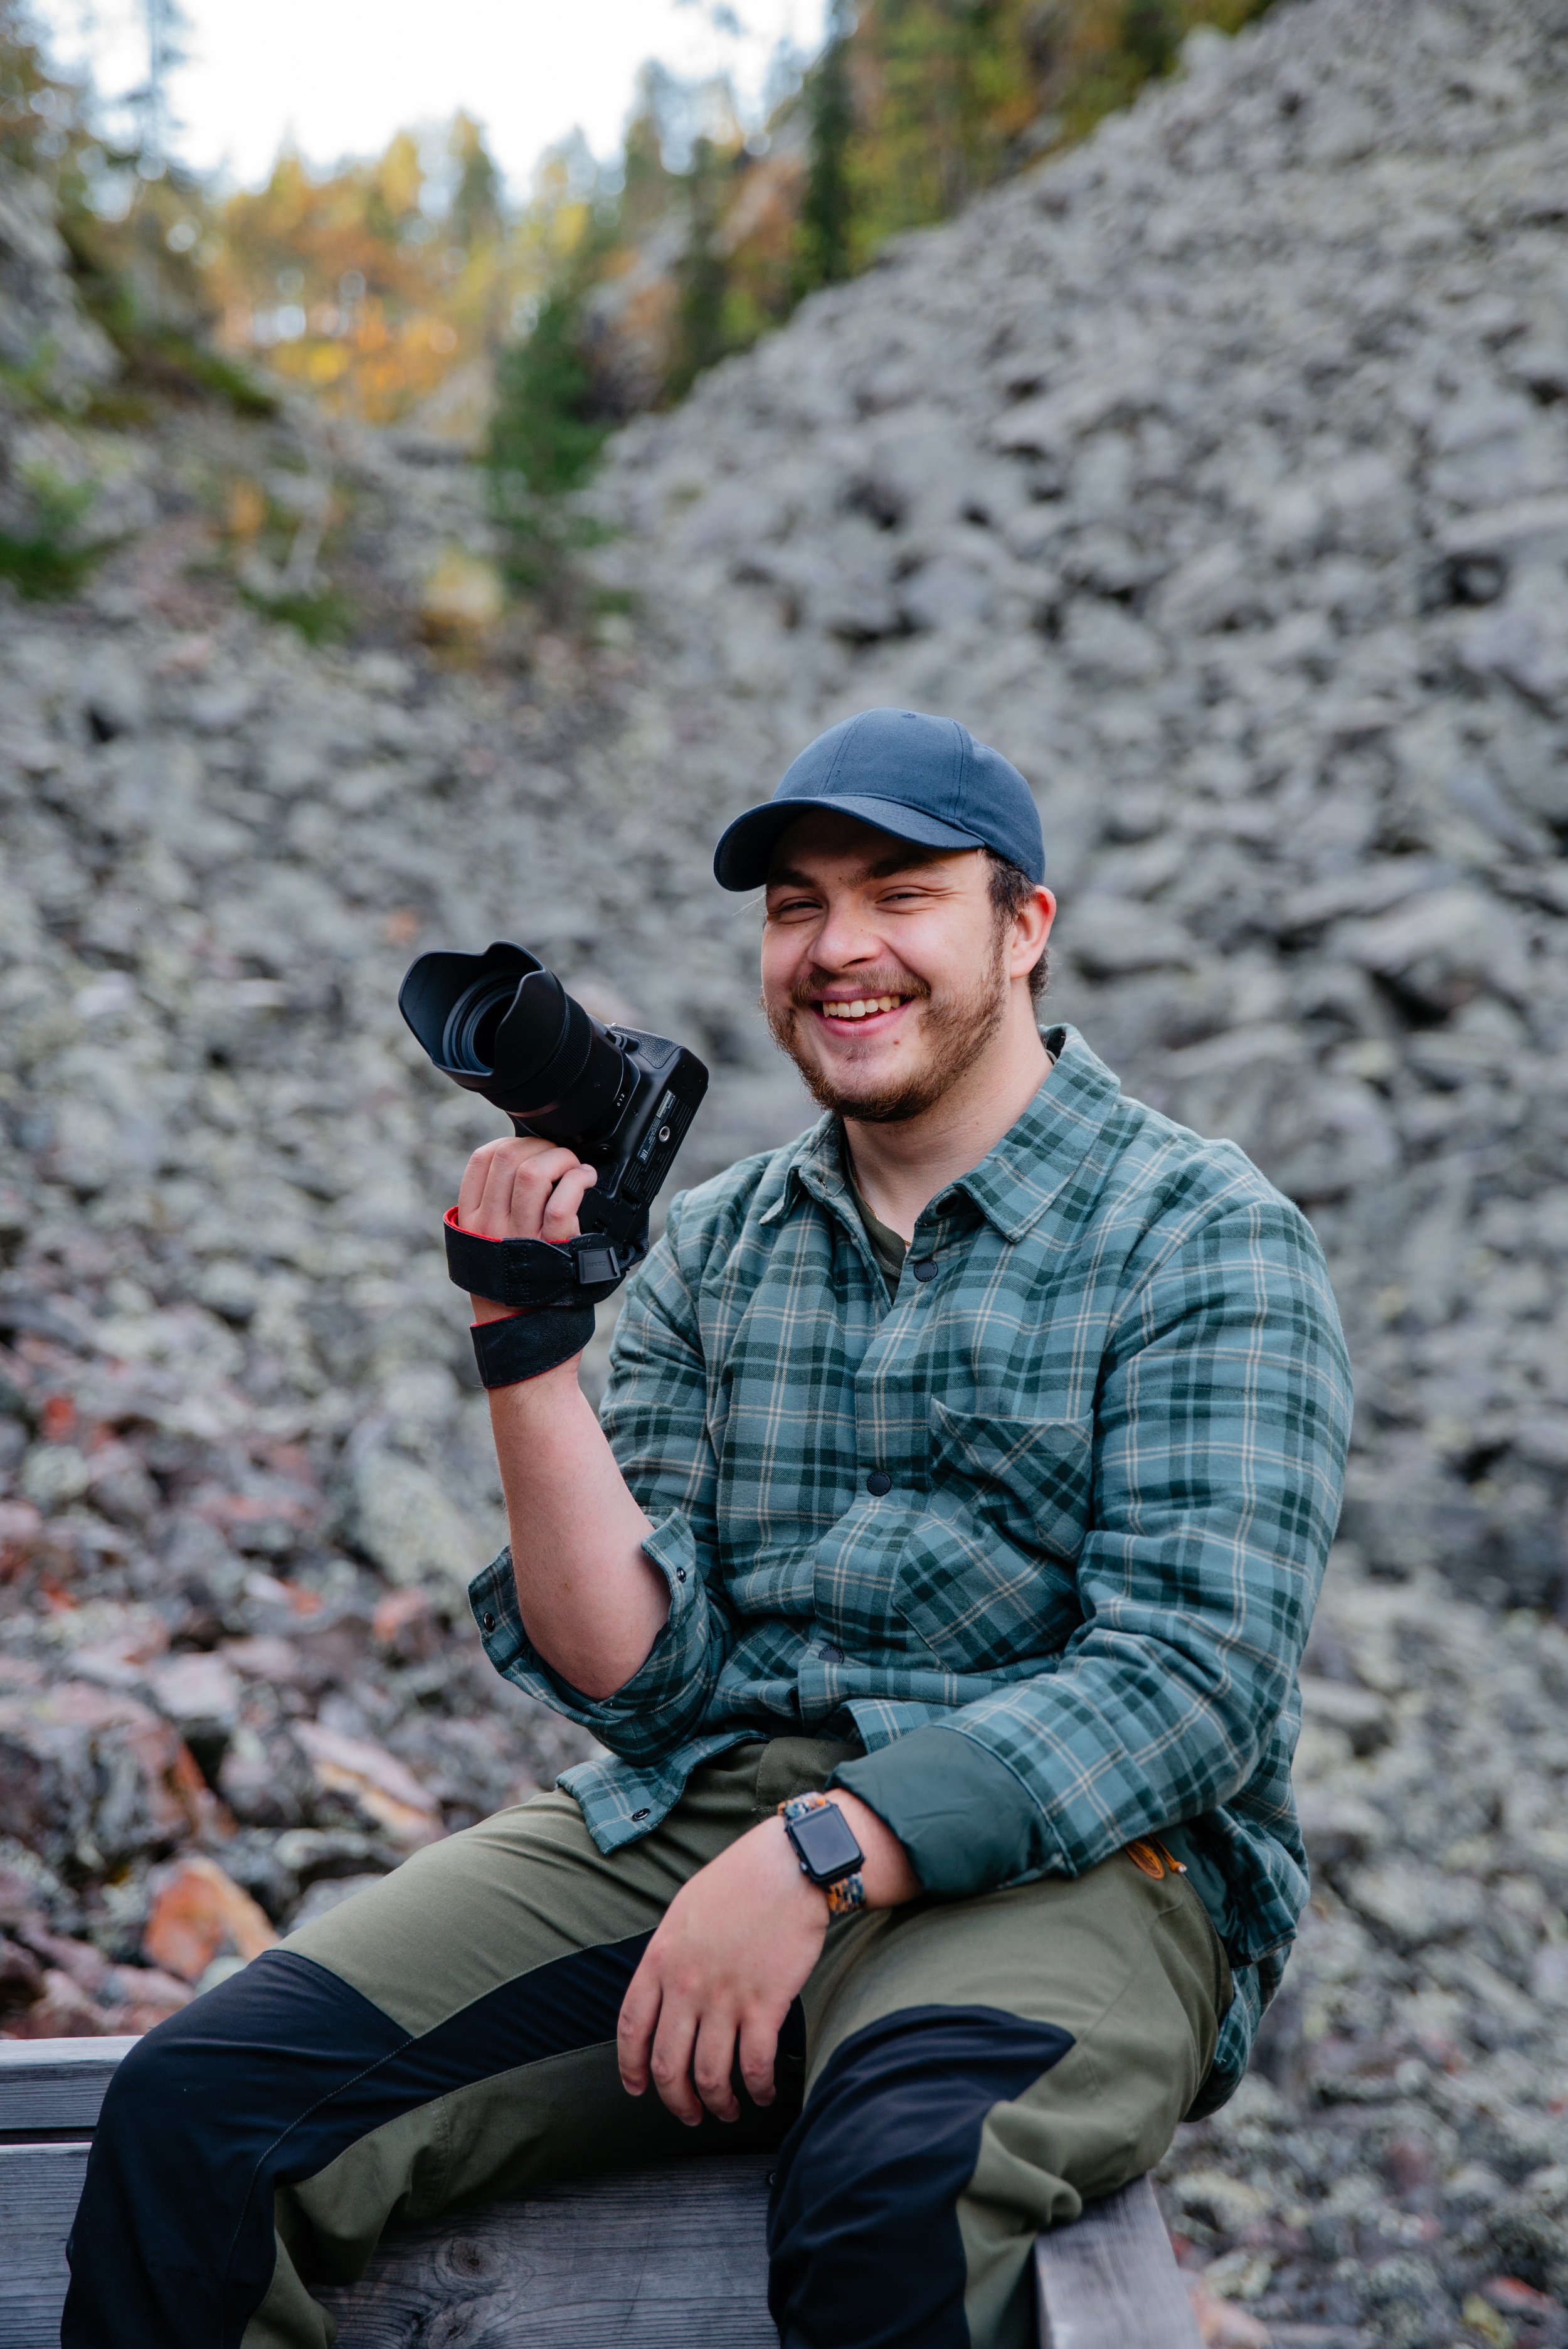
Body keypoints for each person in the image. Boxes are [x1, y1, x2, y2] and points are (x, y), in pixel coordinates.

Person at [64, 707, 1352, 2349]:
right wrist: (525, 1347)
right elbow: (640, 1676)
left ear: (1022, 927)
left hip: (1086, 1864)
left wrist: (826, 1850)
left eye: (899, 894)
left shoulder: (1204, 1238)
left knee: (894, 2179)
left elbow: (1189, 1678)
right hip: (718, 1817)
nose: (837, 947)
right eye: (795, 905)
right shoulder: (724, 1245)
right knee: (199, 2112)